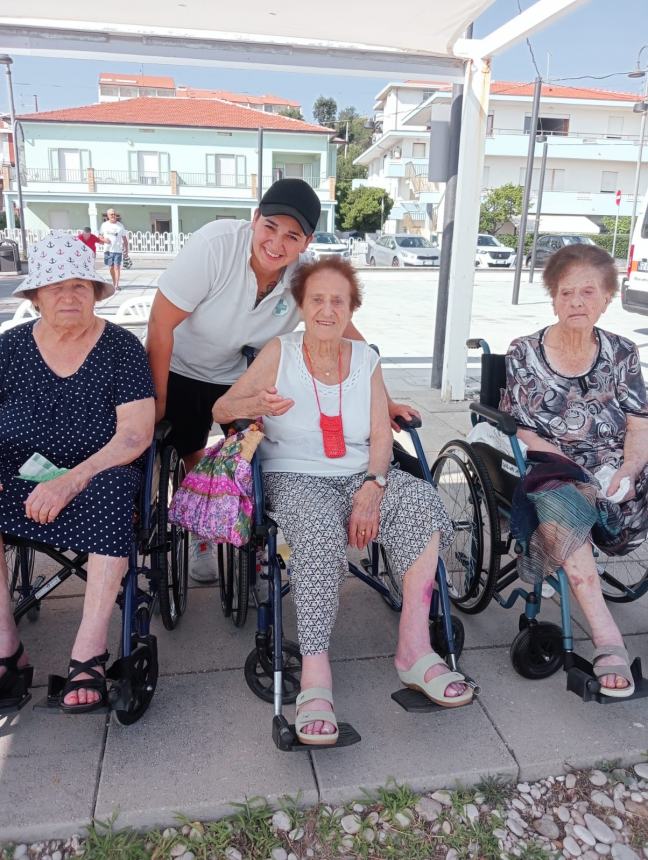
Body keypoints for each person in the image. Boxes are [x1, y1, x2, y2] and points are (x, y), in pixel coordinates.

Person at [213, 257, 471, 746]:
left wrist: (374, 487)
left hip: (359, 475)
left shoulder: (366, 359)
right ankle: (315, 674)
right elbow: (221, 409)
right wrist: (257, 405)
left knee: (419, 503)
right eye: (317, 300)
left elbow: (380, 431)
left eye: (338, 300)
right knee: (317, 533)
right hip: (295, 476)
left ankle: (415, 651)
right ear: (301, 306)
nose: (327, 309)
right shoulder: (279, 352)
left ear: (351, 307)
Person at [147, 178, 419, 582]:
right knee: (185, 446)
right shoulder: (215, 246)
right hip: (182, 363)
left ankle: (250, 538)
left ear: (307, 241)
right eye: (270, 227)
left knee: (250, 454)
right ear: (254, 219)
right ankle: (202, 530)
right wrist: (159, 404)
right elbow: (160, 324)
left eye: (292, 236)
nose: (277, 243)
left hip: (243, 372)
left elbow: (344, 331)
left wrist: (387, 400)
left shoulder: (301, 277)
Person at [0, 233, 155, 712]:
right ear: (35, 296)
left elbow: (134, 435)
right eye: (55, 287)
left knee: (113, 493)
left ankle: (88, 651)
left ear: (95, 292)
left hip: (96, 476)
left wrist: (70, 479)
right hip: (18, 475)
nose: (69, 296)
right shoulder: (9, 348)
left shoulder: (122, 348)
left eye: (80, 286)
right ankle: (7, 649)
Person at [499, 243, 648, 698]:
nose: (577, 302)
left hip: (618, 464)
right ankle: (606, 639)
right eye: (567, 293)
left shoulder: (622, 352)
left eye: (589, 292)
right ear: (554, 299)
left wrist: (630, 464)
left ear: (607, 298)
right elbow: (521, 428)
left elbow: (640, 423)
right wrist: (572, 466)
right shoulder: (523, 352)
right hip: (553, 464)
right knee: (565, 500)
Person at [99, 209, 129, 292]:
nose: (113, 215)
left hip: (118, 250)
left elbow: (124, 239)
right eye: (111, 214)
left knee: (117, 267)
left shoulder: (120, 225)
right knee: (111, 268)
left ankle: (116, 285)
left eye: (114, 214)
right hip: (108, 250)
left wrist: (126, 251)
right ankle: (114, 282)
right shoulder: (104, 225)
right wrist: (105, 240)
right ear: (108, 216)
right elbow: (100, 237)